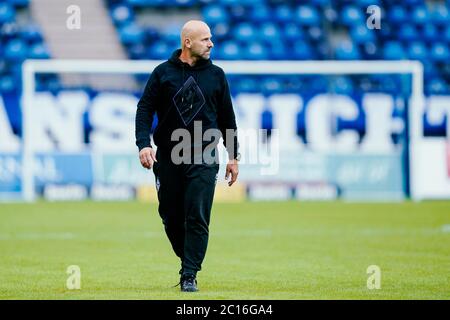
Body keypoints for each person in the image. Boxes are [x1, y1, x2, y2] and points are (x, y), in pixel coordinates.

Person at [135, 20, 240, 292]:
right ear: (187, 42)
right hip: (169, 155)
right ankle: (188, 259)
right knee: (170, 215)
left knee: (196, 214)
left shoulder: (217, 75)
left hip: (204, 155)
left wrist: (233, 156)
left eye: (211, 38)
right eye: (205, 39)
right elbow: (145, 109)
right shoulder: (162, 73)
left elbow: (228, 118)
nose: (211, 43)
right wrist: (143, 144)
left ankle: (189, 274)